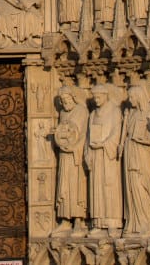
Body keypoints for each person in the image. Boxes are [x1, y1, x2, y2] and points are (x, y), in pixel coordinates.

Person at [84, 83, 123, 237]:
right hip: (96, 155)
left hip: (108, 157)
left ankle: (113, 223)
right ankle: (98, 223)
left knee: (110, 187)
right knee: (97, 189)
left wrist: (104, 144)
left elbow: (116, 133)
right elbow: (88, 135)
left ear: (106, 96)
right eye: (94, 97)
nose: (96, 100)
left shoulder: (114, 112)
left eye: (99, 97)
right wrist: (87, 152)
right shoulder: (93, 114)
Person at [121, 84, 150, 237]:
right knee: (131, 187)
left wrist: (142, 138)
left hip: (143, 155)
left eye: (132, 97)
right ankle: (133, 222)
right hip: (130, 153)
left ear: (139, 96)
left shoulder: (149, 113)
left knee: (142, 186)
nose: (130, 100)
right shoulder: (131, 114)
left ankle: (147, 223)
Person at [53, 86, 88, 236]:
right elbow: (61, 131)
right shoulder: (62, 113)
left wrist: (74, 146)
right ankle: (65, 220)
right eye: (62, 100)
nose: (64, 102)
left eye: (67, 99)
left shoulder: (82, 111)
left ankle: (79, 221)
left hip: (76, 155)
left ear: (73, 97)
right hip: (64, 155)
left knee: (76, 185)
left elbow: (85, 133)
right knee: (64, 186)